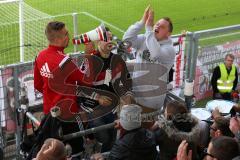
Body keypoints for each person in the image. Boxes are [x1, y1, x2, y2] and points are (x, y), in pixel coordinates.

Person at [34, 21, 111, 159]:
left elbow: (38, 85)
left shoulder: (40, 56)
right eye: (66, 34)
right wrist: (88, 55)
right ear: (58, 38)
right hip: (69, 117)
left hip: (49, 115)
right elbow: (86, 80)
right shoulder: (64, 61)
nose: (69, 36)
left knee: (54, 153)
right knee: (75, 153)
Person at [79, 28, 134, 152]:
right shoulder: (90, 60)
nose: (109, 41)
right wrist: (98, 98)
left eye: (110, 38)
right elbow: (80, 88)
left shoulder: (117, 60)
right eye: (105, 39)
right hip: (93, 108)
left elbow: (126, 82)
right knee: (104, 137)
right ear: (98, 42)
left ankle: (103, 152)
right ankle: (93, 144)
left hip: (112, 107)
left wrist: (127, 98)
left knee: (112, 139)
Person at [122, 6, 175, 111]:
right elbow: (126, 40)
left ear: (168, 34)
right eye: (157, 24)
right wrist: (142, 22)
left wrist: (149, 29)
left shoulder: (169, 49)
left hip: (151, 100)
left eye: (162, 27)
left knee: (142, 126)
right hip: (135, 94)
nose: (158, 26)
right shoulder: (146, 39)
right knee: (128, 123)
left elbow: (155, 53)